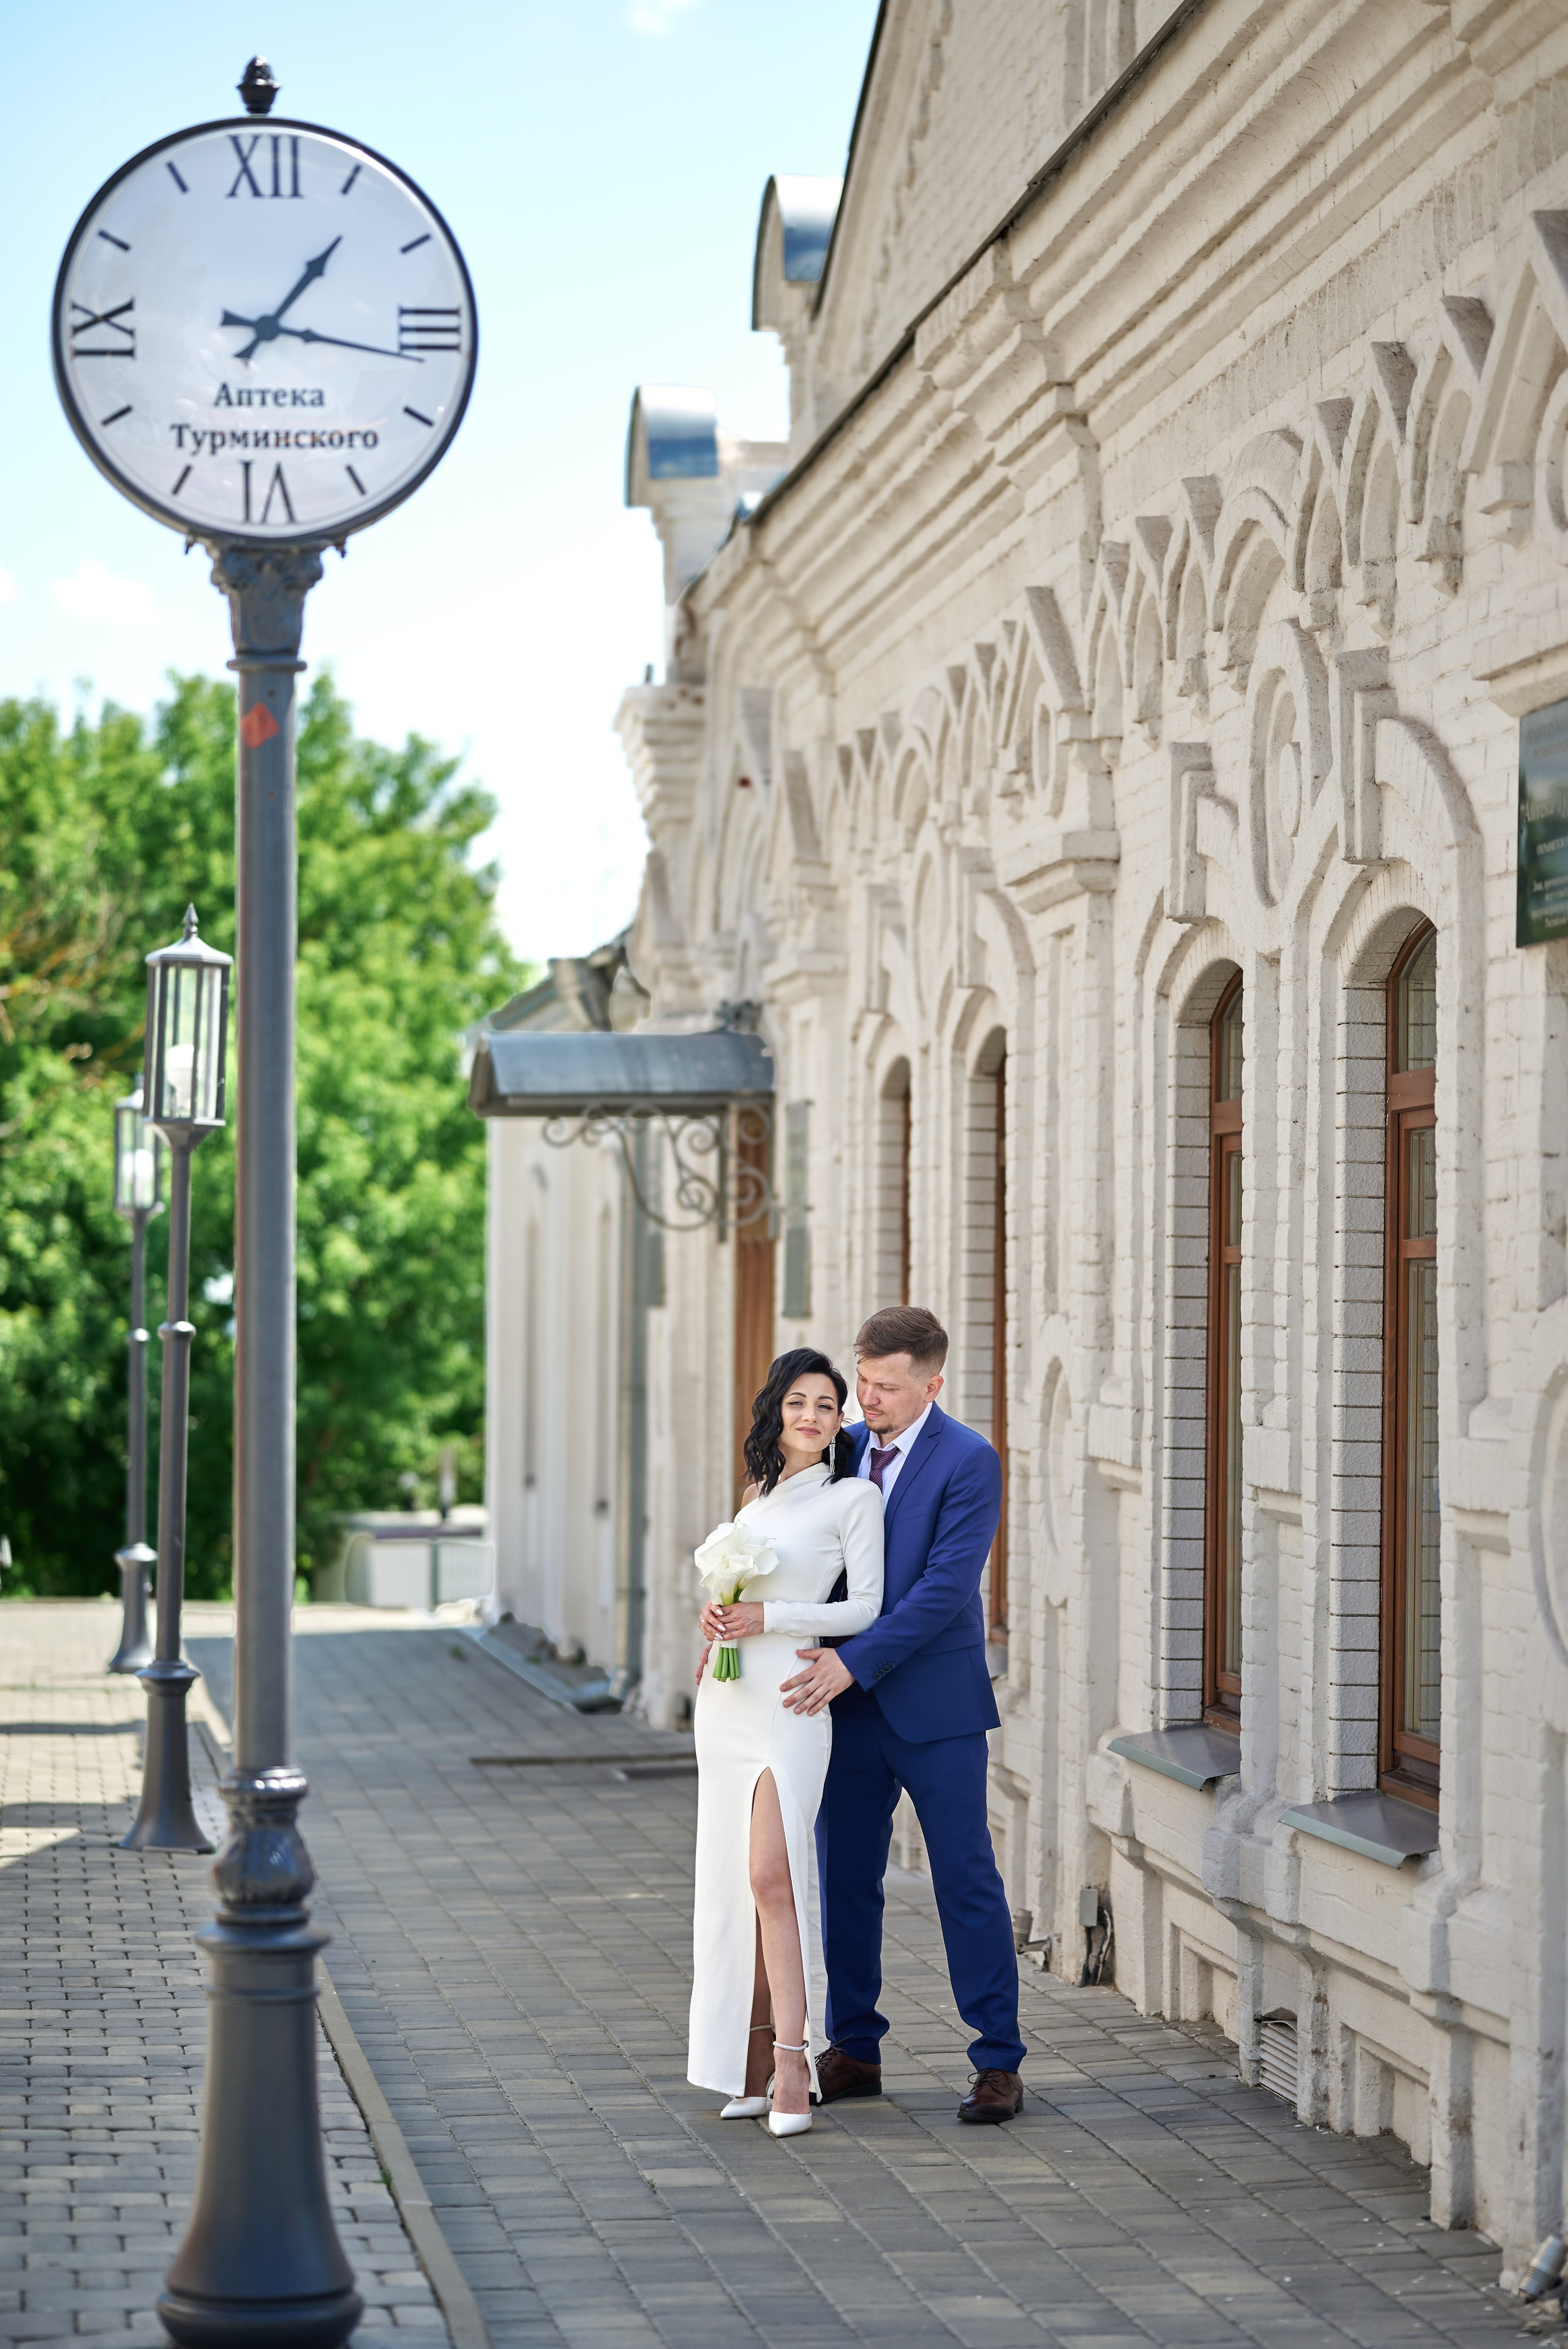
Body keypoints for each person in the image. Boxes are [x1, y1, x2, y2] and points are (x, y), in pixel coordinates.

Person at [779, 1305, 1027, 2124]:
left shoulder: (970, 1459)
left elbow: (944, 1591)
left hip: (936, 1705)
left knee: (966, 1879)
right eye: (865, 1380)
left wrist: (854, 1661)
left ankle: (998, 2060)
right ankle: (854, 2048)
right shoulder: (839, 1448)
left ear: (933, 1383)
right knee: (845, 1876)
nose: (867, 1399)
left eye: (886, 1386)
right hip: (841, 1710)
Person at [686, 1348, 884, 2136]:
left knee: (775, 1874)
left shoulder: (853, 1498)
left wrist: (772, 1617)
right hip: (729, 1700)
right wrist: (717, 1618)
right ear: (776, 1411)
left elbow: (866, 1608)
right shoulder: (754, 1501)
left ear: (841, 1423)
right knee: (735, 1882)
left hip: (794, 1701)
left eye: (827, 1406)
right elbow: (734, 1596)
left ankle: (798, 2060)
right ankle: (751, 2061)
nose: (811, 1416)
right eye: (798, 1402)